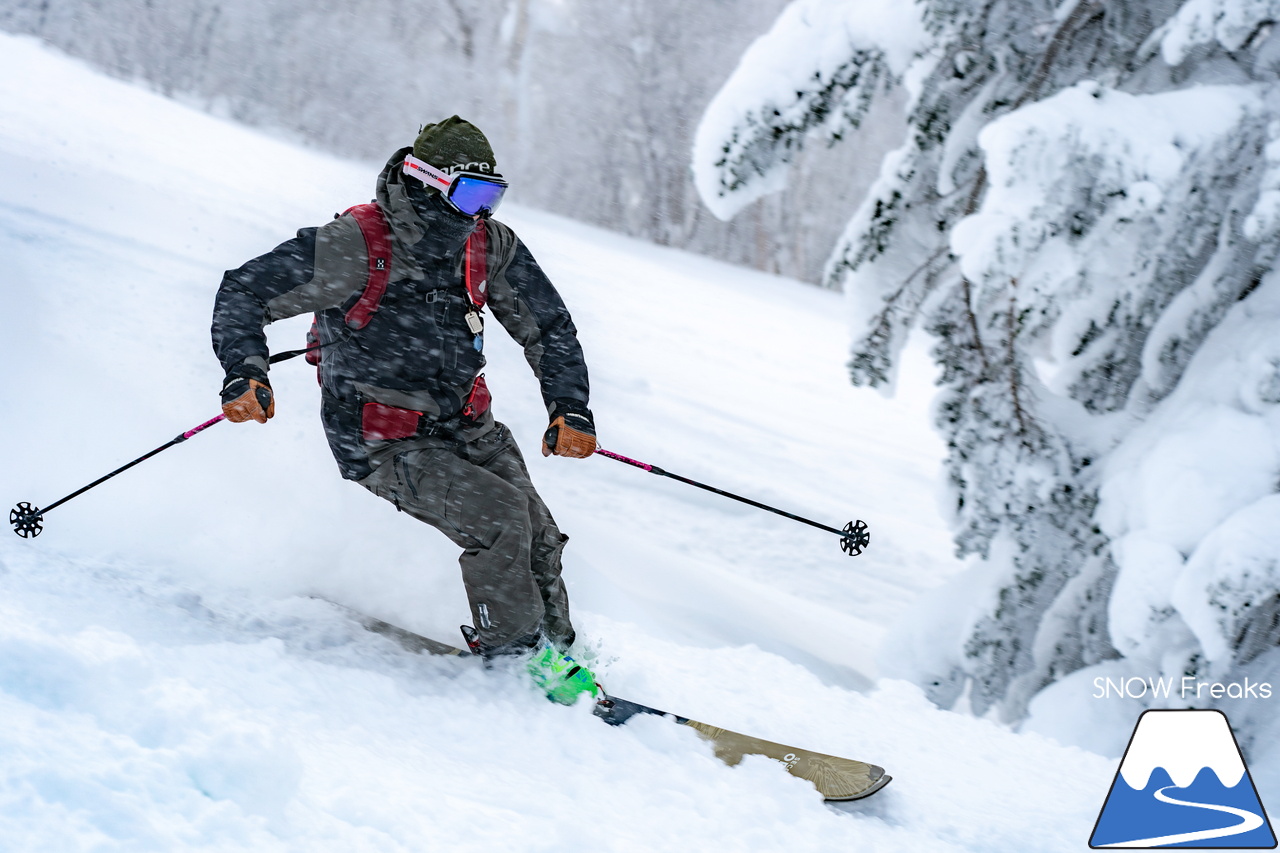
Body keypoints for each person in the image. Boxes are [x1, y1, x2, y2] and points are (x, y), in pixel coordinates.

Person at [211, 116, 599, 704]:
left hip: (468, 423)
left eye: (491, 197)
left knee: (539, 534)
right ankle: (516, 662)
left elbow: (548, 326)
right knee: (500, 520)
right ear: (426, 181)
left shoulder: (486, 245)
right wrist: (246, 371)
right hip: (381, 438)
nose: (480, 212)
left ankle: (559, 656)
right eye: (470, 195)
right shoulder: (356, 245)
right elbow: (245, 291)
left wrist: (570, 408)